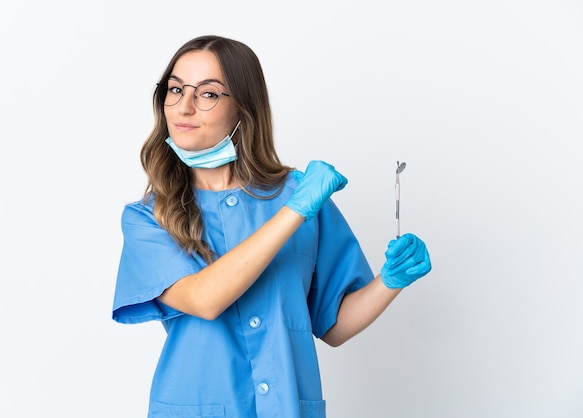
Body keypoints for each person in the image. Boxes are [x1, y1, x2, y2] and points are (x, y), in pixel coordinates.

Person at [112, 35, 432, 418]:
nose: (184, 106)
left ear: (243, 109)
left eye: (208, 94)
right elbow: (205, 299)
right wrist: (294, 211)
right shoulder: (149, 217)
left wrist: (390, 281)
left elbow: (333, 326)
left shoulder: (301, 195)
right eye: (175, 89)